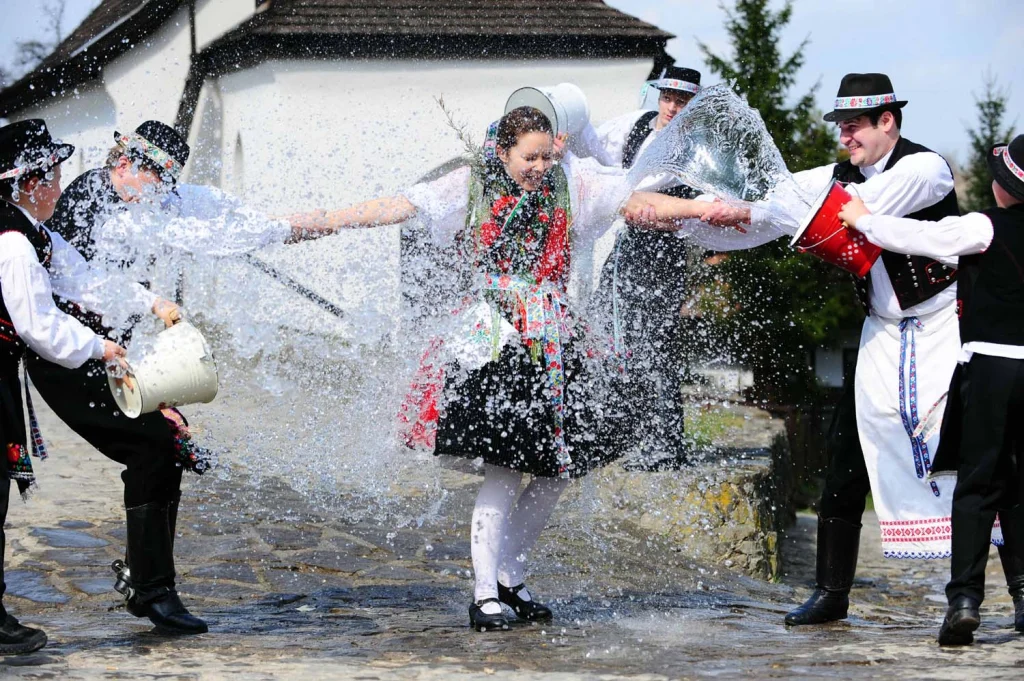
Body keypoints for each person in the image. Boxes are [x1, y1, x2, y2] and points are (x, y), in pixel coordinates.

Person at [288, 106, 709, 631]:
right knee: (506, 471)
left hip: (554, 335)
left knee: (559, 469)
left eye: (545, 155)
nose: (538, 166)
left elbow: (634, 201)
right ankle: (484, 593)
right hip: (495, 335)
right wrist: (318, 223)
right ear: (503, 151)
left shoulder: (571, 181)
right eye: (527, 157)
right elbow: (399, 206)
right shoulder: (470, 185)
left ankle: (511, 577)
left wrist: (713, 209)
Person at [695, 73, 1014, 625]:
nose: (845, 136)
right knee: (847, 451)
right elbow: (782, 198)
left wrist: (762, 212)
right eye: (841, 127)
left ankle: (1022, 591)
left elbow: (848, 208)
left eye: (855, 126)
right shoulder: (838, 173)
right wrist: (719, 212)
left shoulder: (925, 168)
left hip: (943, 328)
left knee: (982, 457)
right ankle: (831, 591)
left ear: (887, 121)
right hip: (883, 332)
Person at [837, 133, 1024, 645]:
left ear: (1002, 185)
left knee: (977, 484)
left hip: (992, 367)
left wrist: (863, 220)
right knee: (1019, 482)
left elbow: (924, 238)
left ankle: (964, 601)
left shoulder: (985, 225)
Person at [27, 121, 208, 635]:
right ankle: (151, 590)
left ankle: (146, 579)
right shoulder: (87, 201)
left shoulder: (128, 205)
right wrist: (138, 375)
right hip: (65, 355)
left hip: (107, 354)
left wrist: (154, 380)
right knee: (154, 445)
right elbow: (85, 291)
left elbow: (121, 302)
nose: (161, 194)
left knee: (167, 444)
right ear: (127, 162)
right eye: (159, 181)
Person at [0, 119, 135, 653]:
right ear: (26, 182)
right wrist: (100, 347)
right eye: (52, 176)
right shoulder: (12, 240)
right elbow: (39, 326)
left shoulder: (32, 232)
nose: (60, 186)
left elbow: (85, 280)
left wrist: (150, 304)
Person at [573, 66, 705, 464]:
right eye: (667, 98)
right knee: (603, 324)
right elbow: (595, 145)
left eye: (681, 101)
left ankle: (665, 442)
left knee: (653, 342)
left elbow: (666, 203)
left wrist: (623, 199)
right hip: (628, 245)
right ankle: (614, 430)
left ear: (693, 105)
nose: (671, 107)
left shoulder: (697, 148)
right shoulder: (637, 126)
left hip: (666, 253)